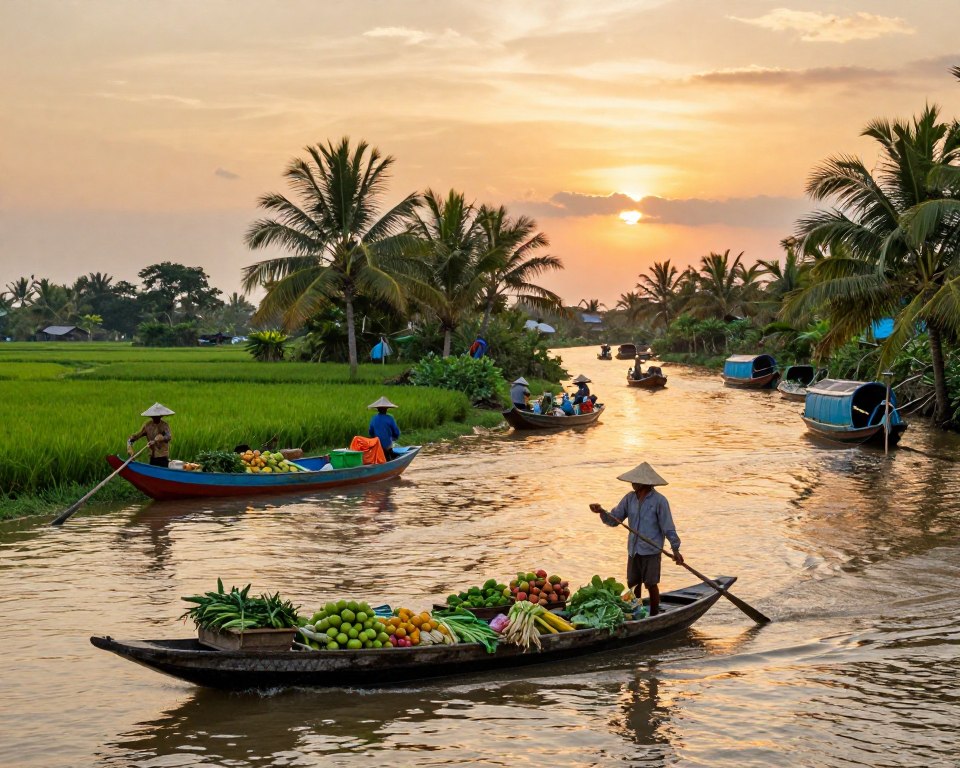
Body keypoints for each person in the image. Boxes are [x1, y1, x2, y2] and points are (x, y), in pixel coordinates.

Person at [589, 462, 683, 617]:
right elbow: (615, 519)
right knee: (632, 583)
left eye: (635, 481)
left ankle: (654, 616)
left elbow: (668, 527)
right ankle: (636, 612)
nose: (632, 483)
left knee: (651, 584)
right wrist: (601, 511)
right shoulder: (629, 499)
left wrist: (675, 549)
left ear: (644, 483)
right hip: (634, 549)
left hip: (651, 549)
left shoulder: (659, 501)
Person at [128, 403, 174, 467]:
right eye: (154, 416)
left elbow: (169, 437)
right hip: (152, 455)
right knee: (153, 469)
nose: (156, 418)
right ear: (151, 416)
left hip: (162, 455)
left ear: (161, 416)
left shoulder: (164, 425)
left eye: (158, 416)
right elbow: (138, 435)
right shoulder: (148, 425)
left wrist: (162, 438)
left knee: (162, 471)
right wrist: (131, 440)